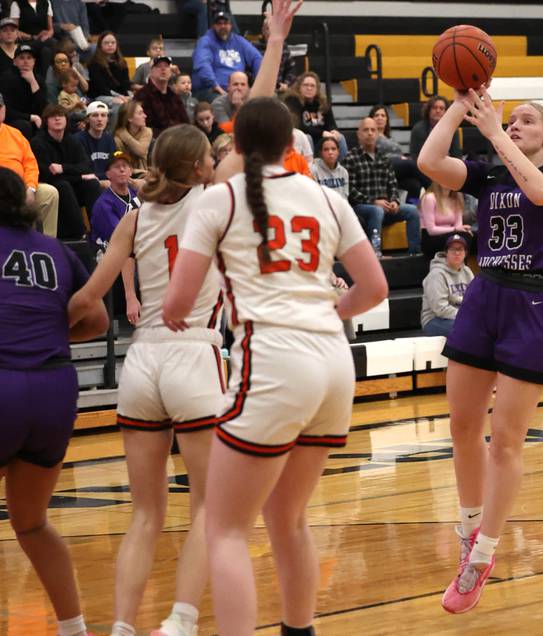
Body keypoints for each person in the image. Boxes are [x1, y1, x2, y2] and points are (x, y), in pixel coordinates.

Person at [163, 99, 387, 636]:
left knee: (225, 527)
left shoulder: (219, 200)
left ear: (235, 146)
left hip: (272, 359)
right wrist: (323, 311)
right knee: (287, 517)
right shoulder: (328, 199)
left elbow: (177, 303)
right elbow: (375, 288)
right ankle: (299, 630)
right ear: (293, 145)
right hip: (334, 363)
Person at [417, 93, 543, 612]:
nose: (514, 124)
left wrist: (493, 132)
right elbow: (428, 161)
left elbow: (540, 191)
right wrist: (458, 104)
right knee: (462, 426)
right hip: (485, 293)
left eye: (526, 121)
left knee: (505, 439)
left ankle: (485, 552)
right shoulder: (489, 174)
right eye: (511, 120)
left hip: (534, 301)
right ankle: (469, 533)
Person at [68, 124, 222, 636]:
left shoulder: (133, 219)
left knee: (144, 515)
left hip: (141, 361)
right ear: (200, 167)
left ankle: (121, 627)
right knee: (208, 504)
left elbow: (88, 299)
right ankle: (180, 621)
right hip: (194, 353)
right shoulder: (215, 203)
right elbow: (250, 136)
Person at [0, 165, 108, 636]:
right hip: (54, 391)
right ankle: (74, 629)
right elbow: (99, 322)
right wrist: (44, 332)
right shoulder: (58, 251)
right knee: (31, 525)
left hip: (3, 383)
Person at [343, 116, 421, 255]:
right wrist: (374, 202)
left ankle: (414, 253)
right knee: (376, 211)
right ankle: (375, 253)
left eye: (373, 130)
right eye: (366, 130)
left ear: (378, 134)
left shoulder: (384, 159)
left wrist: (395, 201)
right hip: (362, 208)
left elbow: (392, 185)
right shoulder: (350, 158)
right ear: (359, 134)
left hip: (385, 207)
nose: (370, 133)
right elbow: (350, 190)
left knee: (412, 211)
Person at [31, 103, 100, 238]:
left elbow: (86, 166)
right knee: (63, 185)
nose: (57, 119)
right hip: (50, 186)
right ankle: (81, 233)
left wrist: (63, 168)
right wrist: (79, 176)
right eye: (53, 116)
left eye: (61, 116)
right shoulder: (37, 142)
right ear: (46, 121)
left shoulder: (72, 140)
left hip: (69, 184)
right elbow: (47, 175)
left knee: (92, 183)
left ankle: (98, 233)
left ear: (66, 120)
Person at [0, 92, 59, 235]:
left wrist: (30, 188)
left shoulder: (15, 134)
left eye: (0, 107)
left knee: (50, 193)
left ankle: (45, 245)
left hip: (22, 189)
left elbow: (30, 165)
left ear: (4, 109)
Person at [191, 11, 262, 102]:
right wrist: (216, 86)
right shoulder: (205, 41)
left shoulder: (239, 41)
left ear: (231, 25)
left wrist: (258, 84)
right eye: (219, 24)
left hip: (238, 89)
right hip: (212, 90)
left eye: (226, 23)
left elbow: (257, 58)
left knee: (264, 99)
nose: (223, 26)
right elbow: (203, 65)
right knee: (224, 102)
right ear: (214, 26)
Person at [421, 233, 473, 336]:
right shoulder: (436, 274)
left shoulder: (467, 271)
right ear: (446, 252)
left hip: (459, 316)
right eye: (453, 249)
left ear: (465, 253)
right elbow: (440, 309)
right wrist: (466, 315)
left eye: (460, 249)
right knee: (469, 329)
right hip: (434, 320)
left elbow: (474, 299)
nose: (457, 253)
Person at [369, 103, 424, 202]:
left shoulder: (389, 138)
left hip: (396, 171)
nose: (380, 118)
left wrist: (401, 158)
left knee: (415, 185)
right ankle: (433, 188)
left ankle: (413, 208)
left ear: (387, 120)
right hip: (382, 167)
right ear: (371, 119)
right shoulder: (371, 135)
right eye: (376, 115)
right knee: (411, 164)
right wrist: (400, 159)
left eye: (383, 115)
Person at [284, 71, 346, 154]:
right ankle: (310, 165)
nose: (309, 88)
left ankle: (340, 165)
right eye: (306, 85)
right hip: (306, 137)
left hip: (322, 139)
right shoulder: (293, 101)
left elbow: (331, 123)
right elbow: (299, 126)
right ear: (299, 87)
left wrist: (334, 131)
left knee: (340, 138)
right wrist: (322, 133)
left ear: (317, 89)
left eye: (312, 86)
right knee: (307, 137)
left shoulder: (323, 102)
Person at [88, 149, 139, 249]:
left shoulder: (136, 195)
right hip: (108, 253)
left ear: (131, 171)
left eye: (125, 166)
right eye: (117, 167)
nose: (122, 170)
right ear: (108, 174)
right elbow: (119, 236)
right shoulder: (103, 204)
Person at [134, 55, 190, 137]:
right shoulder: (142, 95)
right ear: (151, 71)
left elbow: (185, 122)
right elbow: (144, 127)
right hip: (156, 141)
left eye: (166, 66)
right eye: (158, 66)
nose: (163, 69)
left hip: (178, 139)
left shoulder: (174, 96)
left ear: (170, 72)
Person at [0, 43, 46, 139]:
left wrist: (33, 82)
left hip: (34, 120)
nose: (26, 61)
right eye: (22, 58)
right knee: (25, 125)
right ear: (14, 61)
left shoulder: (38, 79)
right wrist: (31, 117)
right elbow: (7, 112)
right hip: (13, 121)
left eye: (29, 58)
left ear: (34, 61)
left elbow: (43, 109)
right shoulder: (6, 79)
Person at [419, 180, 470, 258]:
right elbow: (431, 230)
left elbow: (458, 226)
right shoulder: (429, 198)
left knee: (468, 236)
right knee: (459, 240)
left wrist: (461, 229)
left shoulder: (457, 198)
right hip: (431, 238)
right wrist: (454, 229)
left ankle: (461, 267)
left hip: (449, 235)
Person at [75, 101, 115, 188]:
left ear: (107, 119)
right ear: (87, 119)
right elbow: (84, 170)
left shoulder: (109, 139)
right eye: (95, 115)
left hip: (108, 180)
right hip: (89, 184)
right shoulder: (78, 140)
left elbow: (113, 165)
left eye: (103, 115)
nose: (99, 119)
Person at [86, 31, 131, 106]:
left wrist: (126, 96)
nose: (110, 45)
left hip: (120, 94)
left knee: (134, 102)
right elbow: (100, 86)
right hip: (100, 95)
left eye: (113, 43)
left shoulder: (122, 62)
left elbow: (125, 83)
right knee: (120, 103)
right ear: (100, 45)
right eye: (106, 43)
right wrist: (118, 96)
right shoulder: (94, 63)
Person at [410, 95, 461, 160]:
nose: (438, 111)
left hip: (446, 165)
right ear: (428, 110)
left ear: (446, 112)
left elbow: (456, 155)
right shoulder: (418, 129)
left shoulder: (452, 129)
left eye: (441, 108)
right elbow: (416, 156)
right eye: (434, 108)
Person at [113, 100, 152, 178]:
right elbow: (121, 164)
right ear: (129, 118)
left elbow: (141, 151)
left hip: (144, 173)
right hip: (124, 175)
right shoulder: (116, 140)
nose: (145, 116)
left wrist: (123, 134)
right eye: (140, 113)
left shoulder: (146, 131)